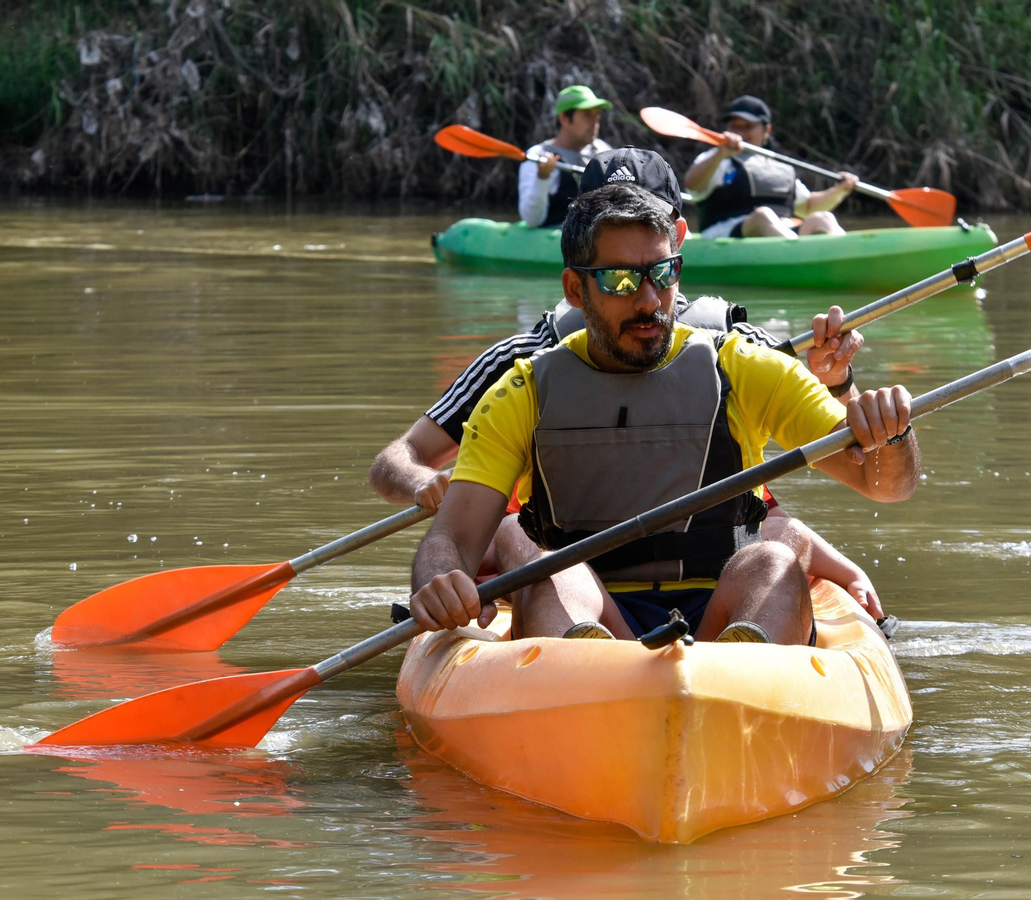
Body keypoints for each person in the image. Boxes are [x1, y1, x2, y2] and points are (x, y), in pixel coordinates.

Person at [371, 149, 885, 617]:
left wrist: (840, 383)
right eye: (616, 272)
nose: (643, 292)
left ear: (673, 236)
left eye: (655, 259)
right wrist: (424, 487)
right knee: (512, 535)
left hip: (714, 576)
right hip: (572, 582)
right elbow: (401, 460)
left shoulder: (739, 353)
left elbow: (830, 471)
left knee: (771, 545)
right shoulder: (524, 366)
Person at [684, 95, 859, 239]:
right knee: (762, 216)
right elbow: (692, 184)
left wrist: (840, 190)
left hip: (780, 233)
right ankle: (798, 256)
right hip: (724, 236)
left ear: (766, 130)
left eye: (748, 127)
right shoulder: (717, 158)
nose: (741, 133)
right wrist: (720, 153)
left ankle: (848, 256)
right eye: (735, 126)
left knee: (823, 218)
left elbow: (807, 207)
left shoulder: (780, 168)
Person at [517, 85, 613, 229]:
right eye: (587, 115)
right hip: (556, 234)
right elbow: (532, 219)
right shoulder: (537, 155)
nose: (594, 123)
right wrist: (542, 177)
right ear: (564, 118)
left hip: (595, 234)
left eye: (596, 115)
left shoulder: (603, 150)